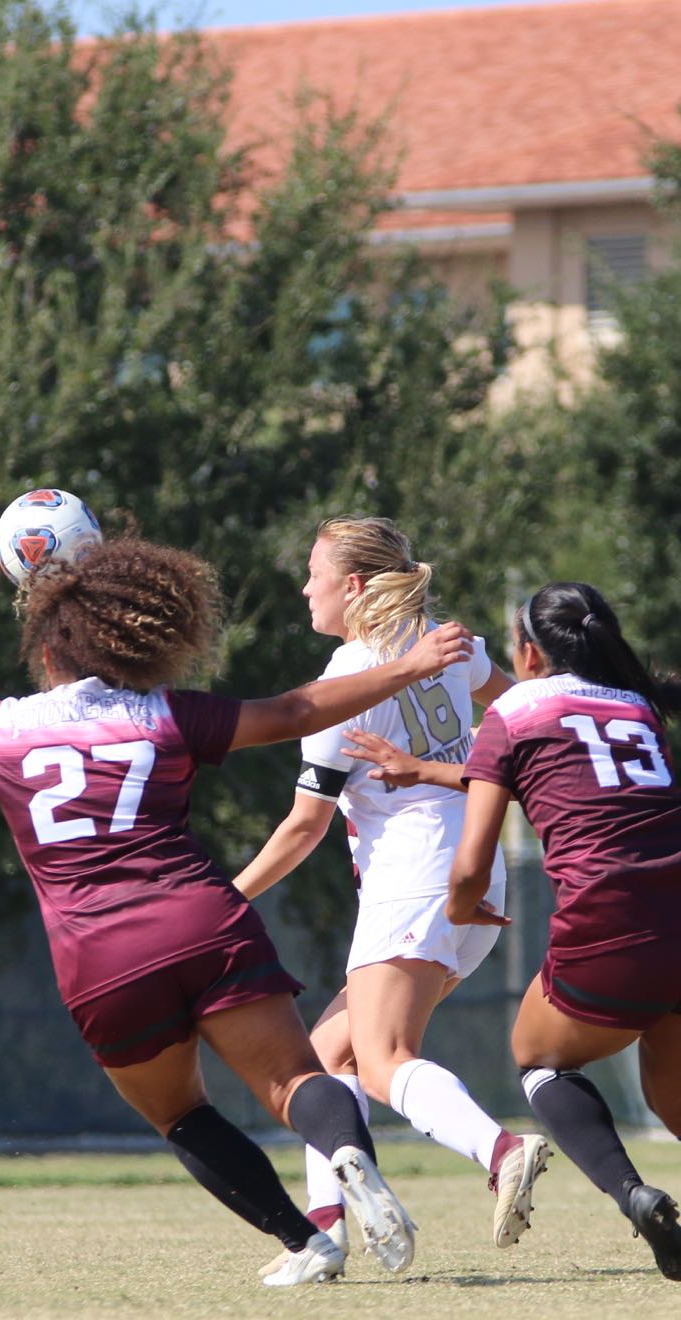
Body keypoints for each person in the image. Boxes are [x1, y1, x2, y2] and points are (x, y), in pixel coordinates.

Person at [0, 537, 468, 1286]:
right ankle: (347, 1155)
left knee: (183, 1116)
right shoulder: (161, 713)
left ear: (47, 652)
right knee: (295, 1082)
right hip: (204, 922)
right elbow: (293, 711)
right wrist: (406, 665)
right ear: (134, 644)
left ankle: (306, 1243)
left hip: (101, 959)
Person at [415, 581, 681, 1285]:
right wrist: (431, 771)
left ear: (526, 652)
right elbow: (577, 778)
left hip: (613, 921)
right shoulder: (639, 707)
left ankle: (633, 1195)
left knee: (540, 1060)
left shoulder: (512, 712)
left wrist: (463, 907)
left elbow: (473, 860)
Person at [231, 517, 549, 1280]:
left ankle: (501, 1148)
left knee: (382, 1060)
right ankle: (325, 1234)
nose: (304, 587)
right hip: (477, 874)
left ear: (354, 586)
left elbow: (304, 828)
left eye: (315, 572)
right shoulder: (450, 643)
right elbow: (523, 724)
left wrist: (225, 898)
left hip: (415, 877)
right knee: (327, 1054)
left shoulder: (348, 676)